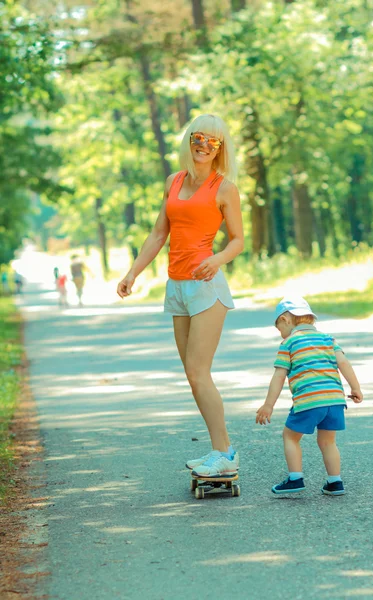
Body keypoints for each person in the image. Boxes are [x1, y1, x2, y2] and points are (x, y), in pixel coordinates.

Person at [117, 114, 244, 478]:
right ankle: (219, 449)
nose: (204, 145)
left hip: (207, 287)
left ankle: (226, 452)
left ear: (220, 148)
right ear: (189, 140)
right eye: (198, 138)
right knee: (192, 374)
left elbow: (238, 240)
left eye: (212, 141)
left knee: (200, 372)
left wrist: (216, 260)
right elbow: (159, 234)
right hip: (176, 286)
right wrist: (132, 272)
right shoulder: (173, 181)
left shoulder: (224, 189)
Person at [256, 296, 363, 496]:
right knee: (328, 441)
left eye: (279, 328)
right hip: (335, 401)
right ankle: (335, 482)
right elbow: (344, 363)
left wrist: (268, 405)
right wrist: (355, 388)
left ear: (286, 320)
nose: (280, 334)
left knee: (290, 436)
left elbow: (279, 376)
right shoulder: (327, 339)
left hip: (309, 400)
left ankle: (295, 478)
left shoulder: (289, 343)